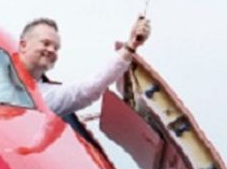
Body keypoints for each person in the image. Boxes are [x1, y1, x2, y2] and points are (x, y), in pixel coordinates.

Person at [18, 15, 151, 117]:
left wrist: (130, 46)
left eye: (56, 48)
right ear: (23, 45)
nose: (52, 50)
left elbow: (90, 87)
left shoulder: (47, 96)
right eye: (46, 43)